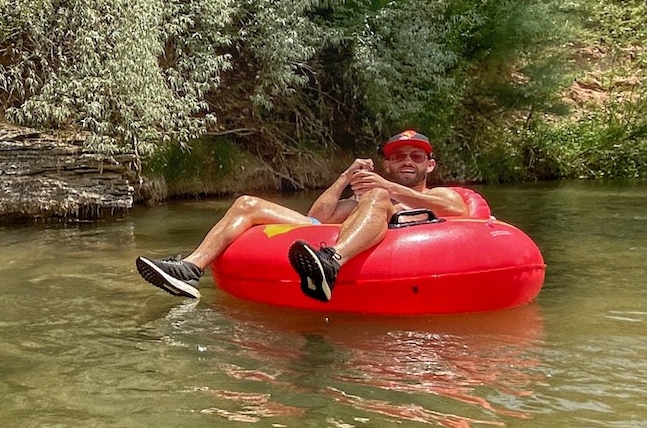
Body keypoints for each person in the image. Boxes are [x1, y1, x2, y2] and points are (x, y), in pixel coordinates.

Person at [134, 129, 470, 301]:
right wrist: (346, 177)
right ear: (387, 163)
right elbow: (317, 218)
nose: (406, 162)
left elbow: (460, 212)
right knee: (248, 203)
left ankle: (331, 263)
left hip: (409, 255)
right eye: (398, 157)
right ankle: (190, 268)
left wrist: (388, 189)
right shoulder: (370, 195)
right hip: (349, 229)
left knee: (378, 197)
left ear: (430, 165)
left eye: (415, 156)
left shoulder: (438, 195)